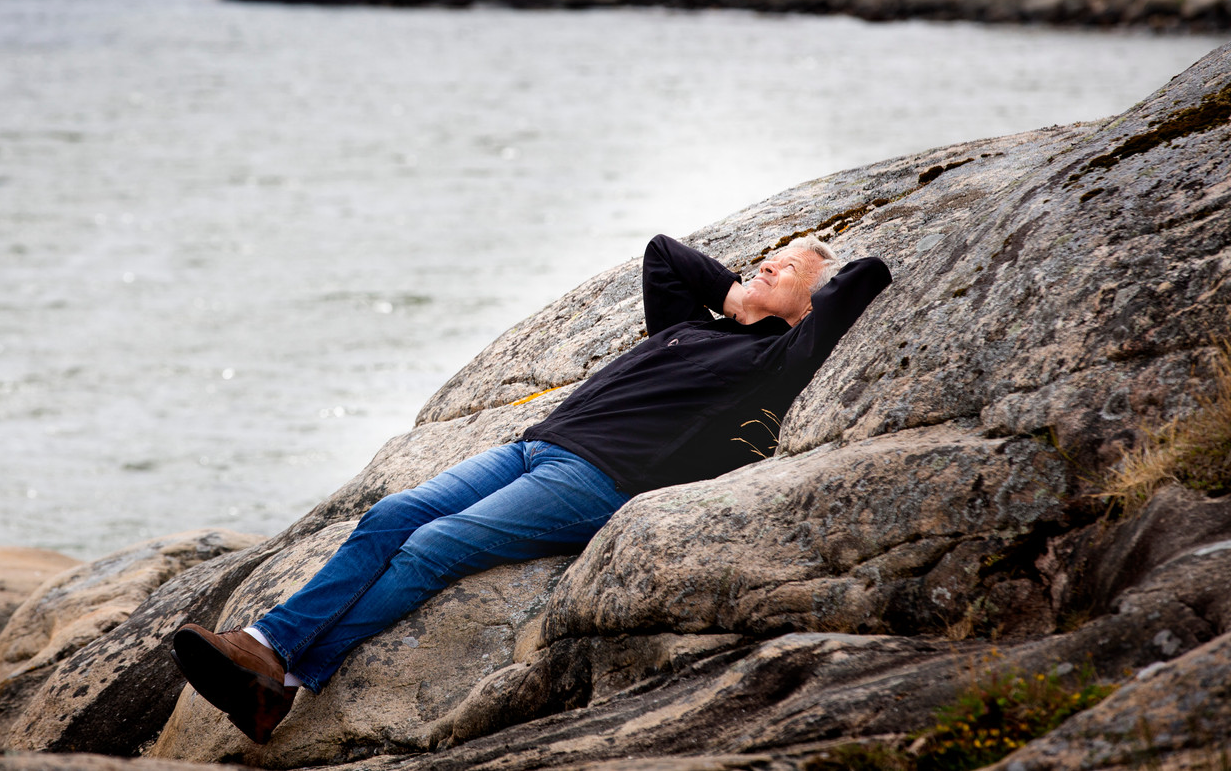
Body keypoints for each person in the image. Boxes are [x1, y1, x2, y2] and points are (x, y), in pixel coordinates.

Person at [172, 233, 891, 743]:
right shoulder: (690, 330)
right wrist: (737, 291)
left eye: (787, 267)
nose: (769, 262)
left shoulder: (775, 358)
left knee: (433, 546)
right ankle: (267, 647)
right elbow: (665, 254)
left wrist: (807, 292)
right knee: (396, 513)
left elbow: (867, 275)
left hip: (596, 481)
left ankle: (281, 674)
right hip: (531, 448)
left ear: (808, 306)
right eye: (769, 256)